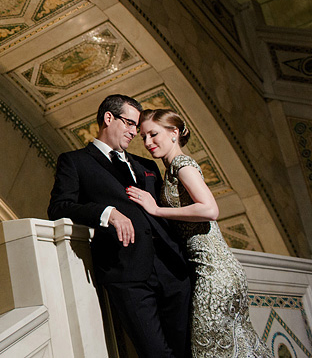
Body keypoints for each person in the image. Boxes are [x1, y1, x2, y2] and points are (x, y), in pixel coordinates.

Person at [48, 95, 192, 358]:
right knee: (156, 354)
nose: (134, 133)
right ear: (108, 118)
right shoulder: (75, 162)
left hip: (173, 270)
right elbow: (59, 207)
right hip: (127, 274)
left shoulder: (147, 166)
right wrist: (107, 213)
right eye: (129, 123)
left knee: (187, 351)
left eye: (136, 126)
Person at [127, 109, 271, 358]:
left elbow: (210, 209)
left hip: (215, 273)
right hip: (213, 269)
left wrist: (156, 209)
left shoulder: (183, 165)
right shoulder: (170, 169)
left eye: (153, 134)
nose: (148, 142)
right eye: (143, 137)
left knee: (210, 350)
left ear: (173, 133)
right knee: (236, 349)